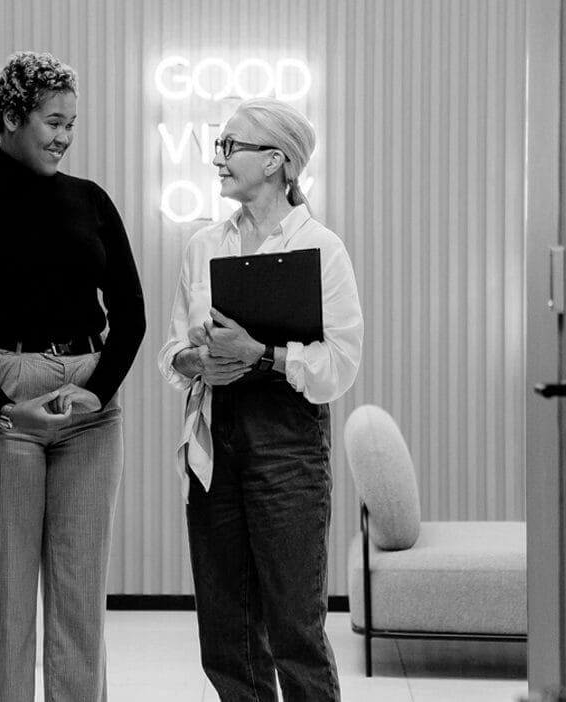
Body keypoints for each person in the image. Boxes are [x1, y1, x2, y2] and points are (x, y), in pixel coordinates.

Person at [0, 51, 145, 701]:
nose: (64, 136)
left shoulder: (90, 201)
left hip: (89, 408)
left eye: (71, 123)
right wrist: (0, 407)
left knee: (78, 601)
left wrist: (97, 390)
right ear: (12, 117)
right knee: (6, 602)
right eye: (52, 120)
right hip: (2, 405)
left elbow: (128, 314)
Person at [158, 97, 362, 701]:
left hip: (289, 448)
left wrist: (264, 356)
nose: (217, 159)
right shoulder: (203, 246)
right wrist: (196, 360)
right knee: (226, 634)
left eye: (230, 146)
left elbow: (341, 363)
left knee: (294, 628)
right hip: (213, 448)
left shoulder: (322, 249)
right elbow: (171, 349)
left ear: (276, 161)